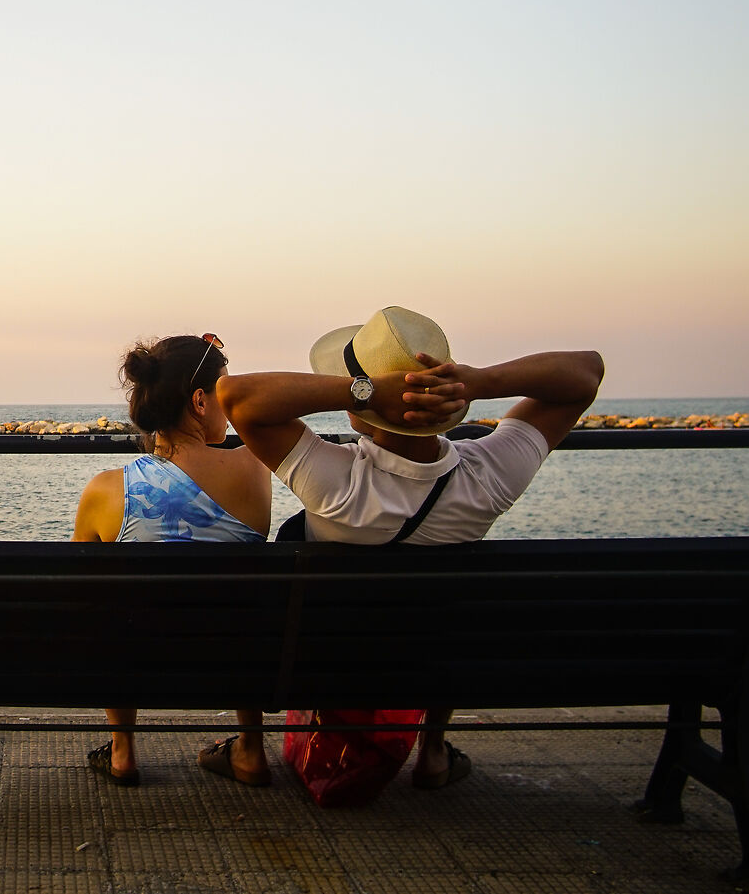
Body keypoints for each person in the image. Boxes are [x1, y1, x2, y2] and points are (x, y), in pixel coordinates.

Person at [217, 307, 603, 791]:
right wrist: (475, 383)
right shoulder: (490, 476)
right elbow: (587, 371)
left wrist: (368, 389)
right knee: (446, 623)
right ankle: (435, 749)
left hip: (324, 666)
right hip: (432, 667)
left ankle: (251, 745)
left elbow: (236, 395)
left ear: (360, 411)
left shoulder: (336, 482)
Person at [72, 333, 274, 786]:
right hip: (232, 656)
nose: (233, 402)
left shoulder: (104, 490)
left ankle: (123, 750)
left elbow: (78, 591)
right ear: (200, 401)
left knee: (107, 608)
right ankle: (251, 749)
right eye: (226, 391)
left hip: (141, 659)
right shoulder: (255, 470)